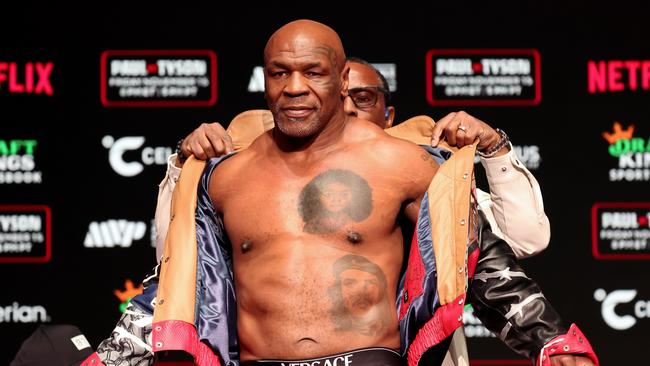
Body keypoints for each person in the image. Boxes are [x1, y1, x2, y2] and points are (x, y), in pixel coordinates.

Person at [85, 20, 597, 366]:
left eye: (313, 72)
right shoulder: (228, 175)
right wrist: (113, 356)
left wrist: (547, 338)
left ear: (340, 78)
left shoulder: (403, 163)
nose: (294, 87)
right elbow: (179, 280)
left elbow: (478, 258)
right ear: (264, 79)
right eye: (280, 73)